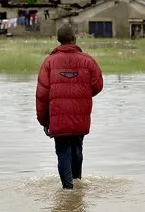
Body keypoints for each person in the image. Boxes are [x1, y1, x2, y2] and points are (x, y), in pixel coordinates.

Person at [35, 24, 104, 190]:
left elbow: (42, 95)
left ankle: (68, 190)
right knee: (77, 149)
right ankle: (77, 182)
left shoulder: (49, 62)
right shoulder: (88, 61)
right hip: (80, 115)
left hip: (57, 117)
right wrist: (81, 96)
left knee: (63, 152)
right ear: (74, 39)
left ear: (58, 41)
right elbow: (98, 85)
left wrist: (44, 121)